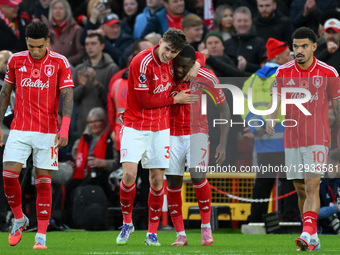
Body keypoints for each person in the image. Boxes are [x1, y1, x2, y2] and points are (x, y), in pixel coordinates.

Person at [116, 28, 204, 246]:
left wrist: (197, 65)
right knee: (129, 175)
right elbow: (146, 101)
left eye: (174, 53)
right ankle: (127, 223)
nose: (169, 56)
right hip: (135, 125)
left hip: (160, 128)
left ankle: (152, 233)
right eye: (167, 49)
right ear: (160, 42)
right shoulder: (141, 63)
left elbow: (199, 54)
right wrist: (176, 100)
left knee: (157, 181)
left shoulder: (172, 61)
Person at [0, 21, 73, 249]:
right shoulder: (15, 60)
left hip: (48, 131)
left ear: (48, 43)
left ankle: (41, 235)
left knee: (43, 182)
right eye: (31, 46)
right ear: (26, 43)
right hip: (19, 129)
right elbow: (5, 92)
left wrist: (65, 129)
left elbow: (68, 96)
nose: (35, 51)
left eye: (39, 46)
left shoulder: (60, 62)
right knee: (8, 176)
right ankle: (20, 218)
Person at [266, 27, 340, 251]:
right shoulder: (282, 72)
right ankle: (313, 236)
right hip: (292, 138)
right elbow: (275, 100)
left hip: (319, 136)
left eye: (304, 46)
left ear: (314, 47)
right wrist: (270, 118)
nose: (299, 50)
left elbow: (337, 105)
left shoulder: (329, 72)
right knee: (300, 188)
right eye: (295, 46)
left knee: (312, 184)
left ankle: (307, 232)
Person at [165, 44, 230, 246]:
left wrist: (222, 144)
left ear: (193, 64)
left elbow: (225, 110)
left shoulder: (206, 77)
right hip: (170, 134)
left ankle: (205, 227)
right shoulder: (165, 72)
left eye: (185, 66)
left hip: (198, 131)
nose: (180, 70)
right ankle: (180, 234)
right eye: (178, 65)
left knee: (197, 176)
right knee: (173, 183)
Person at [242, 38, 298, 223]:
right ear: (280, 57)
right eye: (288, 54)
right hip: (286, 139)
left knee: (263, 182)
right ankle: (289, 219)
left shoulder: (252, 80)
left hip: (263, 141)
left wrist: (256, 126)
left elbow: (244, 107)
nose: (291, 57)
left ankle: (255, 220)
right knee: (289, 181)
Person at [73, 33, 119, 134]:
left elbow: (111, 100)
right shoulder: (79, 69)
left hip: (104, 126)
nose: (89, 47)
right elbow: (71, 99)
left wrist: (95, 83)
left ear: (102, 46)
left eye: (93, 43)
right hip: (82, 125)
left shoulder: (112, 69)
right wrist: (81, 87)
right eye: (87, 44)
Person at [224, 6, 266, 73]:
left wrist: (247, 66)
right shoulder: (226, 44)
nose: (242, 24)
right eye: (239, 21)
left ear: (251, 22)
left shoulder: (259, 43)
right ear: (233, 23)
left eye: (245, 21)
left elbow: (265, 69)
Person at [45, 0, 85, 66]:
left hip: (70, 68)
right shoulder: (46, 29)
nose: (57, 11)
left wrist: (65, 62)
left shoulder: (76, 29)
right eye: (55, 8)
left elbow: (81, 53)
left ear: (66, 10)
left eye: (61, 8)